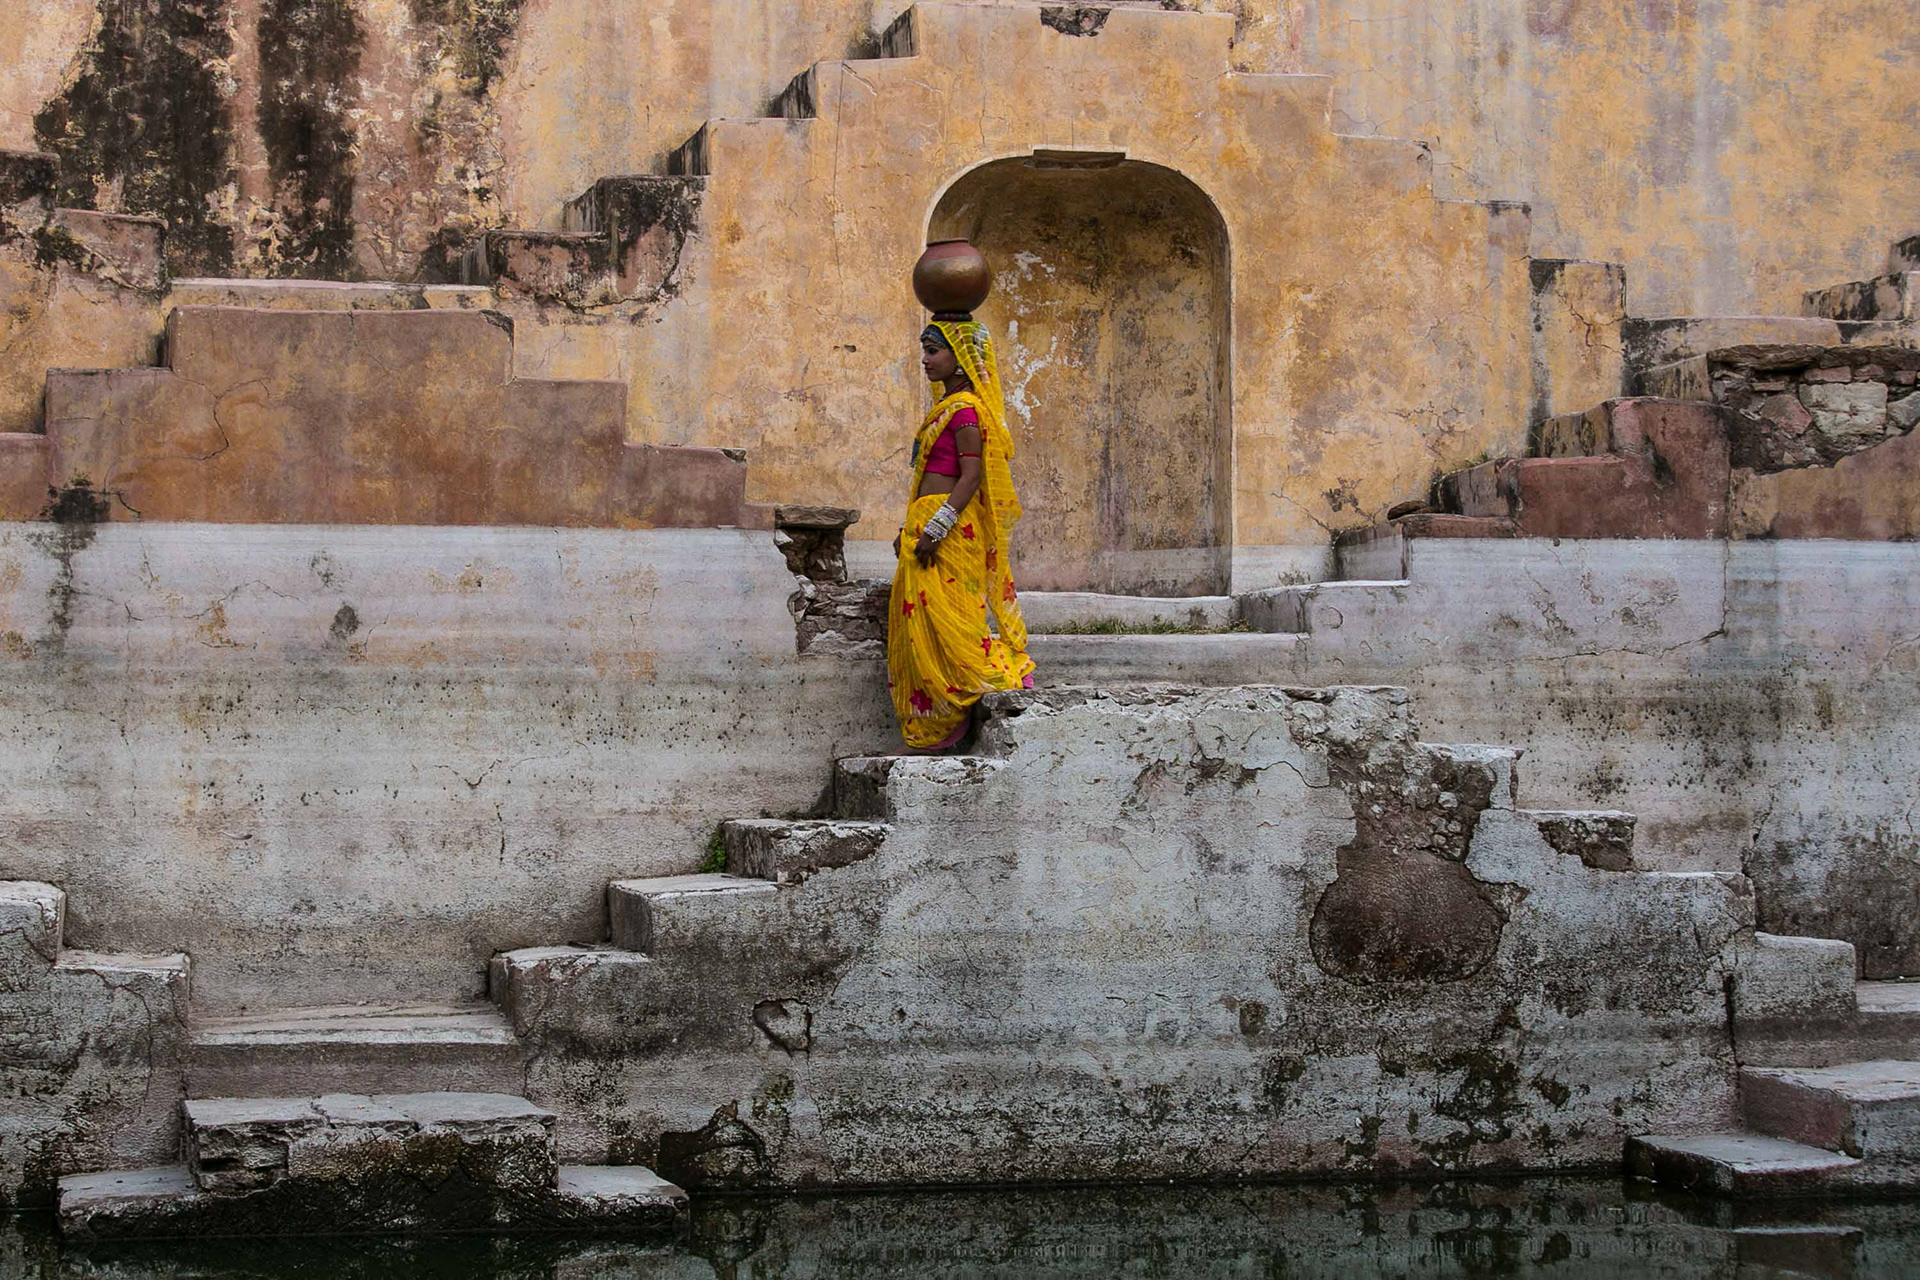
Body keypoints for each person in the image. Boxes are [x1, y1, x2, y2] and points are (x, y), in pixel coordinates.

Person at [887, 317, 1035, 751]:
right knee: (920, 625)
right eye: (924, 350)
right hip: (925, 523)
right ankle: (935, 726)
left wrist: (936, 527)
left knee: (953, 622)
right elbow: (924, 479)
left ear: (960, 359)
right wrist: (907, 527)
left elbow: (969, 478)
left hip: (949, 530)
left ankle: (986, 683)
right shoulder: (944, 409)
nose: (925, 360)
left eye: (933, 351)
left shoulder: (967, 411)